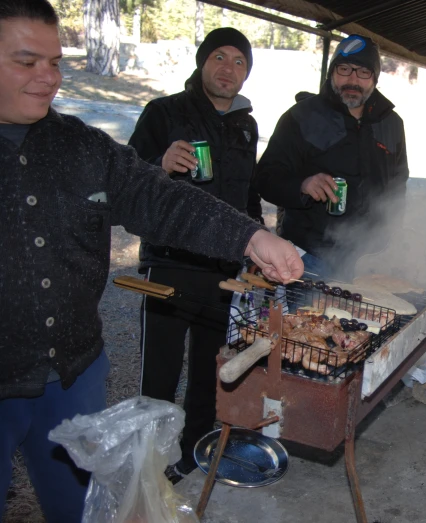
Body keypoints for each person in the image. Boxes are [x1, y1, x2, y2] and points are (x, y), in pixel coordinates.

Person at [0, 2, 303, 521]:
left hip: (74, 372)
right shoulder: (165, 111)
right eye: (27, 62)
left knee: (81, 509)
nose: (47, 79)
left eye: (55, 63)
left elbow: (161, 199)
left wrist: (251, 237)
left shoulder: (82, 146)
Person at [127, 27, 261, 482]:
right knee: (159, 376)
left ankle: (194, 452)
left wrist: (258, 243)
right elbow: (124, 180)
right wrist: (157, 165)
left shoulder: (247, 123)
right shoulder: (163, 112)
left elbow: (249, 195)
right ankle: (149, 461)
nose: (229, 68)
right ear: (203, 62)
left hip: (223, 270)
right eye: (219, 57)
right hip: (169, 263)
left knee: (211, 371)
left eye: (239, 61)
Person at [255, 34, 409, 278]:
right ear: (332, 73)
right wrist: (303, 185)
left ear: (375, 78)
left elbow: (398, 187)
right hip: (310, 256)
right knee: (309, 317)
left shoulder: (391, 123)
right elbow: (266, 178)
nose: (352, 79)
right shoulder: (301, 117)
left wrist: (395, 239)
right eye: (344, 69)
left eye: (363, 72)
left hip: (370, 259)